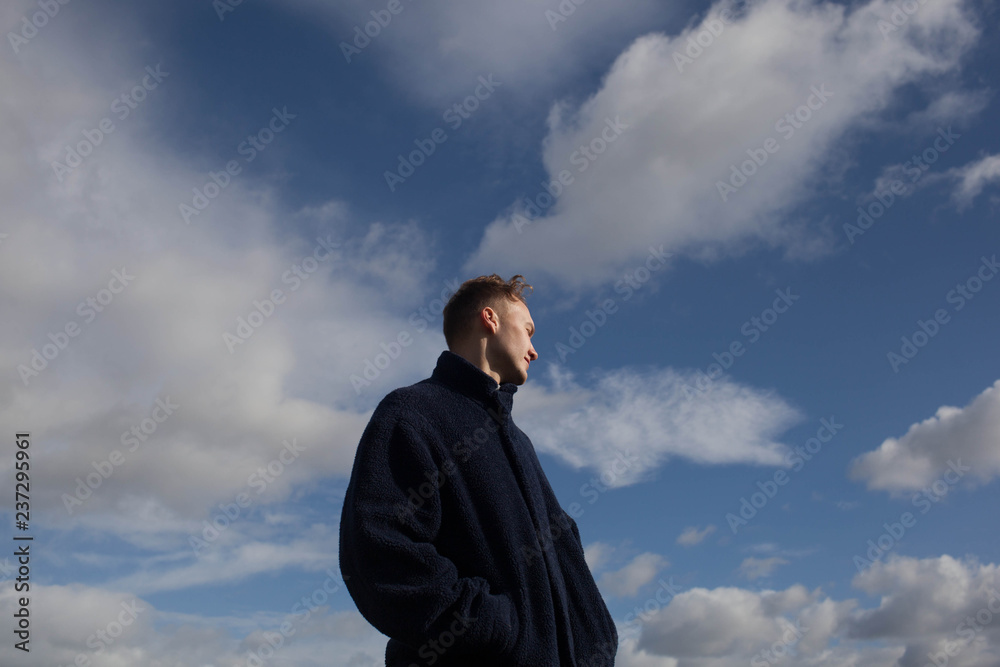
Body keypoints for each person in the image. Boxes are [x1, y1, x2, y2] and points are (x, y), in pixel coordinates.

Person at [339, 273, 618, 666]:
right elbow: (379, 550)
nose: (534, 350)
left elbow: (568, 555)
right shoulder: (411, 413)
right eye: (528, 330)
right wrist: (491, 626)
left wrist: (596, 641)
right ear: (490, 319)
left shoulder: (520, 443)